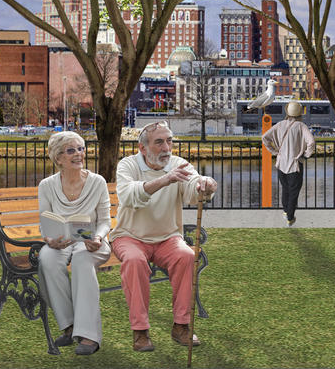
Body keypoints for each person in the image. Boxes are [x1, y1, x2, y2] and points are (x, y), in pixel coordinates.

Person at [110, 121, 216, 351]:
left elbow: (192, 190)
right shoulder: (127, 165)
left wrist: (205, 186)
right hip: (129, 236)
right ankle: (140, 332)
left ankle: (181, 326)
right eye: (159, 142)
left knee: (187, 256)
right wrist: (165, 179)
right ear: (143, 148)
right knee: (135, 261)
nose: (167, 147)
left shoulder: (179, 164)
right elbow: (129, 197)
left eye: (169, 140)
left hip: (168, 237)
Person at [38, 130, 110, 355]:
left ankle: (89, 335)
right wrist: (50, 239)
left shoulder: (97, 182)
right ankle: (69, 326)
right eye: (71, 150)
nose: (79, 154)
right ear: (58, 158)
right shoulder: (46, 186)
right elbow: (44, 221)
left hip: (91, 243)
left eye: (81, 148)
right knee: (46, 258)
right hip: (61, 241)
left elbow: (106, 221)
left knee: (81, 259)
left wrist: (97, 237)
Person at [261, 102, 315, 226]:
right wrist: (306, 155)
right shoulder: (301, 126)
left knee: (285, 188)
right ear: (299, 113)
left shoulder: (280, 125)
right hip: (295, 163)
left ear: (287, 112)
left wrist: (274, 151)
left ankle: (286, 211)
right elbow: (311, 142)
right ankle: (290, 217)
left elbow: (265, 137)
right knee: (294, 190)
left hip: (281, 163)